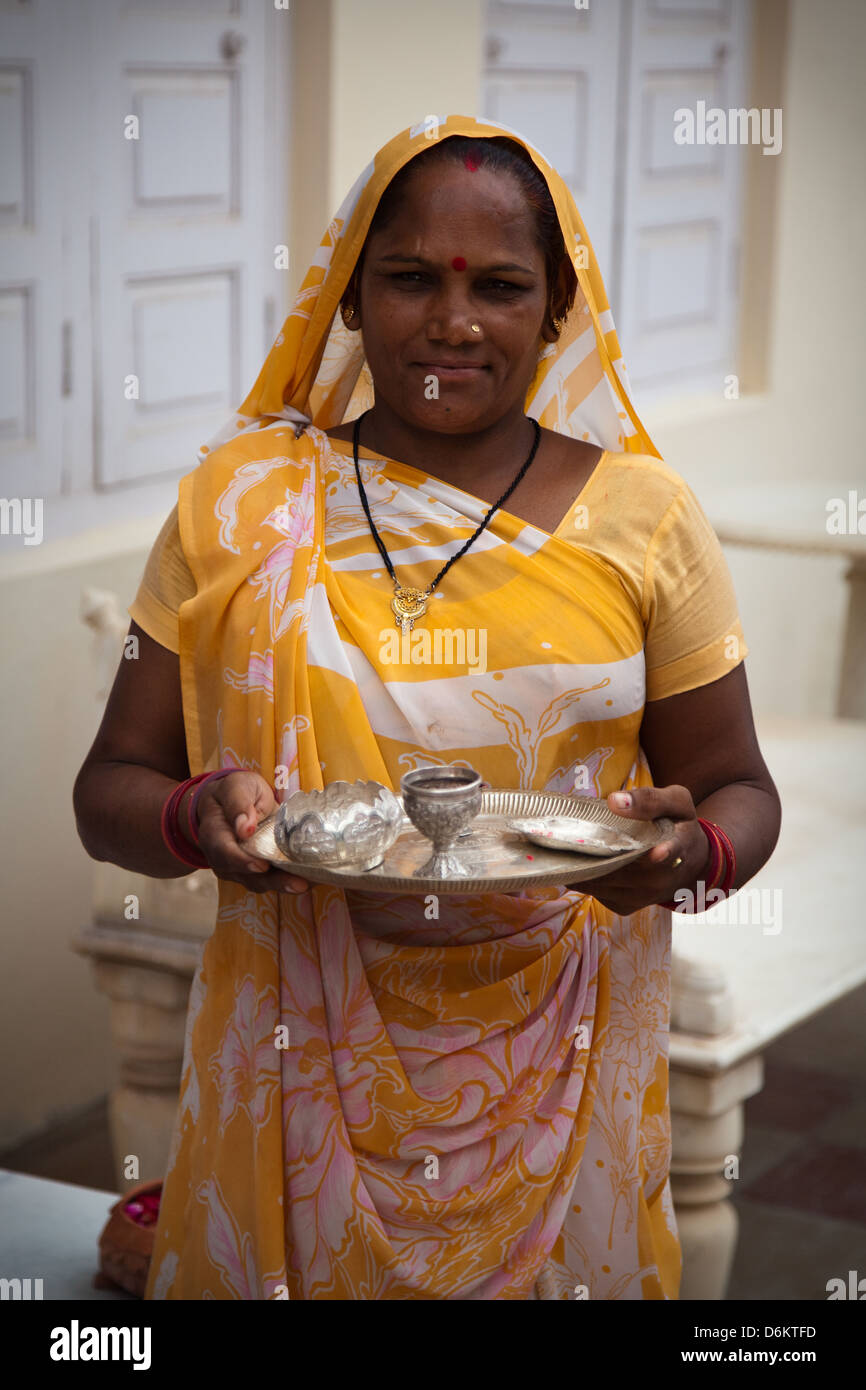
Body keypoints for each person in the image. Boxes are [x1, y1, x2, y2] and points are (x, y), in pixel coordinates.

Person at [73, 115, 780, 1300]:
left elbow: (741, 790)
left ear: (557, 307)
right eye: (407, 278)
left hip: (565, 1069)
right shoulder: (240, 504)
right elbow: (109, 788)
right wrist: (196, 814)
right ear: (347, 298)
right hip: (297, 1061)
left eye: (499, 286)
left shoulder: (645, 518)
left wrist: (689, 851)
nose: (451, 324)